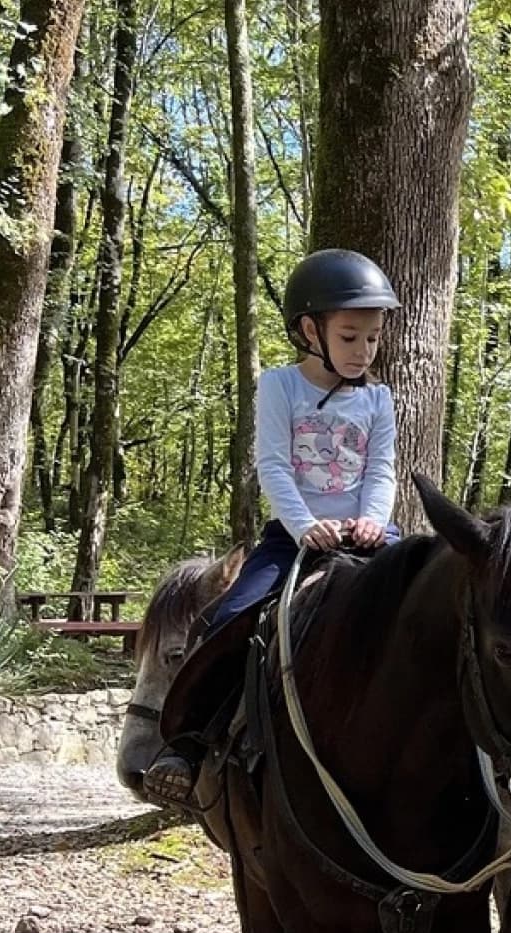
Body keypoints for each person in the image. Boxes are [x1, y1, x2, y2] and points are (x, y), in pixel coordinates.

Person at [139, 248, 402, 811]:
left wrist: (373, 522)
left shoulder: (379, 399)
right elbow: (275, 465)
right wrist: (306, 526)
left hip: (366, 532)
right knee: (229, 616)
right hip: (294, 534)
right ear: (311, 329)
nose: (363, 351)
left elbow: (380, 470)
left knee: (427, 596)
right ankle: (186, 745)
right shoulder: (281, 386)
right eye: (351, 336)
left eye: (373, 339)